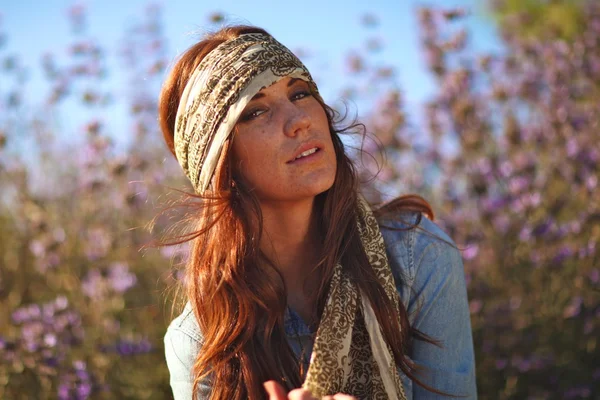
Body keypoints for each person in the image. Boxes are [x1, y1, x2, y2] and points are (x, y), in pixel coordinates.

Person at [158, 25, 477, 400]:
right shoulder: (200, 340)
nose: (299, 120)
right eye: (257, 110)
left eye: (300, 93)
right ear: (219, 163)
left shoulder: (418, 259)